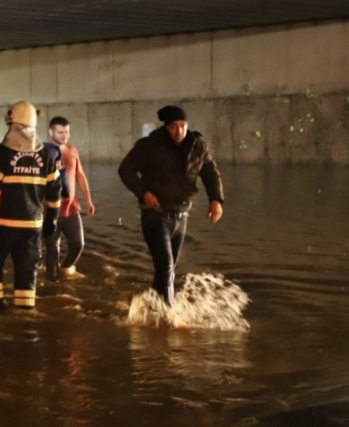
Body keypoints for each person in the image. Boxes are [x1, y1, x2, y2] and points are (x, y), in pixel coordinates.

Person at [118, 105, 224, 306]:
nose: (179, 131)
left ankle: (153, 308)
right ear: (166, 127)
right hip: (155, 215)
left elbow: (210, 172)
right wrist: (143, 192)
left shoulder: (197, 146)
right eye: (174, 126)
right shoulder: (149, 146)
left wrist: (216, 200)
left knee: (167, 269)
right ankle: (169, 317)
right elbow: (126, 169)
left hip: (181, 216)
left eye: (183, 125)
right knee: (166, 266)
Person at [0, 100, 62, 313]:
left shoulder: (2, 153)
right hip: (32, 227)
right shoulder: (47, 155)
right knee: (27, 271)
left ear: (14, 125)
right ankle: (25, 318)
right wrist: (52, 219)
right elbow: (55, 191)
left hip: (2, 225)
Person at [43, 116, 95, 281]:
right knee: (52, 250)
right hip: (49, 210)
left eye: (67, 132)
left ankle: (65, 270)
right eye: (60, 132)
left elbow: (80, 175)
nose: (64, 136)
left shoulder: (72, 151)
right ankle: (51, 283)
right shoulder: (42, 153)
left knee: (78, 244)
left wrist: (88, 200)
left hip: (71, 208)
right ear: (51, 132)